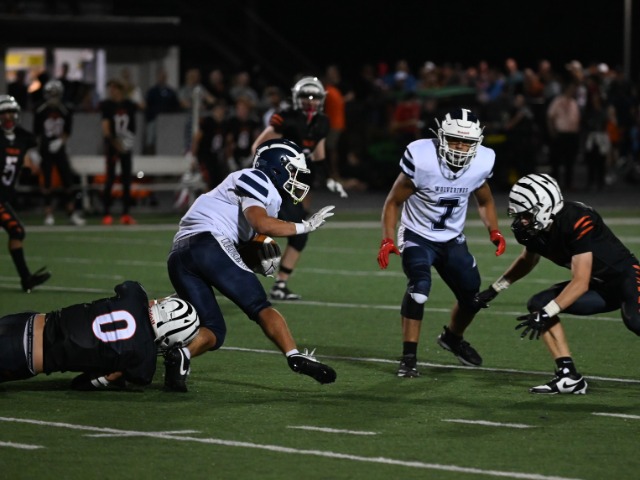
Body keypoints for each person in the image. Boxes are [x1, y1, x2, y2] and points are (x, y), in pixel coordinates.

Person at [165, 138, 337, 392]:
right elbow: (261, 224)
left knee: (214, 330)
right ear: (276, 167)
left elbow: (237, 244)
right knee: (259, 306)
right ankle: (294, 355)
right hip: (208, 243)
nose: (296, 178)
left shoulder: (254, 192)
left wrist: (255, 259)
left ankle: (180, 355)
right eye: (292, 170)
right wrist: (305, 226)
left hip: (179, 255)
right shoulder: (256, 177)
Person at [475, 173, 640, 394]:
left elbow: (580, 282)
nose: (522, 221)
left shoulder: (577, 219)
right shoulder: (535, 231)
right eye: (520, 215)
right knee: (538, 303)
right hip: (599, 287)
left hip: (626, 278)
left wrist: (546, 314)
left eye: (527, 214)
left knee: (635, 321)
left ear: (544, 207)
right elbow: (527, 261)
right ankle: (568, 376)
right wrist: (495, 289)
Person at [377, 108, 506, 378]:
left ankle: (452, 339)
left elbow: (485, 200)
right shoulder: (422, 157)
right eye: (454, 140)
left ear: (477, 143)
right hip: (417, 235)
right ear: (441, 137)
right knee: (419, 289)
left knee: (472, 298)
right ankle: (409, 358)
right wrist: (387, 238)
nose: (460, 147)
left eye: (467, 142)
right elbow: (393, 202)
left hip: (452, 239)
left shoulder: (482, 161)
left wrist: (494, 230)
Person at [0, 280, 200, 391]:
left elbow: (129, 287)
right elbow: (82, 384)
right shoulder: (143, 364)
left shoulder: (134, 295)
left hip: (24, 320)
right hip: (23, 356)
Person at [252, 76, 347, 301]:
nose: (310, 100)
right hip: (277, 185)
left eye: (315, 96)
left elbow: (319, 153)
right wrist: (278, 168)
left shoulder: (322, 122)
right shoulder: (285, 118)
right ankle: (233, 268)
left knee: (298, 235)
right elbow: (259, 146)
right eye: (306, 96)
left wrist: (328, 178)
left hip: (297, 185)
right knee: (267, 230)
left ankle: (280, 284)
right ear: (296, 97)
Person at [0, 95, 51, 293]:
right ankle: (26, 279)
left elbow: (30, 158)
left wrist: (29, 164)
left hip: (5, 196)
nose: (8, 117)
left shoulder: (23, 138)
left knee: (16, 232)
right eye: (4, 113)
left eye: (11, 112)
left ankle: (26, 279)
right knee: (17, 230)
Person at [33, 79, 86, 226]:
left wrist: (60, 142)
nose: (53, 97)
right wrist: (37, 150)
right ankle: (48, 214)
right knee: (47, 183)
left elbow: (67, 131)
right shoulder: (40, 110)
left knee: (67, 181)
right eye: (51, 94)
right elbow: (37, 133)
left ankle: (71, 213)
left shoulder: (65, 110)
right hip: (45, 149)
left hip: (60, 148)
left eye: (55, 94)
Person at [99, 79, 139, 225]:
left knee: (126, 180)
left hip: (125, 145)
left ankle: (126, 213)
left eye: (114, 88)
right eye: (110, 88)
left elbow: (133, 125)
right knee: (110, 179)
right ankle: (106, 213)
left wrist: (129, 140)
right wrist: (117, 145)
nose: (112, 91)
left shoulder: (129, 105)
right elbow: (106, 129)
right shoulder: (107, 105)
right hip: (112, 147)